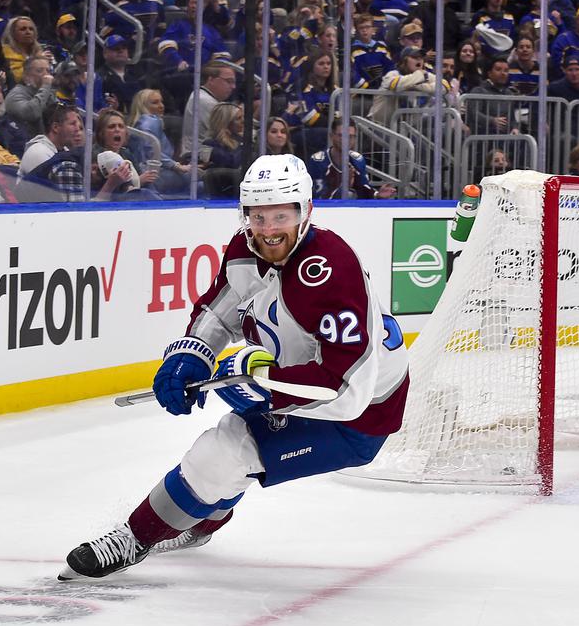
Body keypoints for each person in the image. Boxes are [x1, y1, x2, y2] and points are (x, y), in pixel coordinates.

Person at [58, 154, 410, 580]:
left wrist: (266, 388)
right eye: (258, 216)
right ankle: (203, 522)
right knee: (234, 455)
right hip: (295, 380)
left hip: (358, 417)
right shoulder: (245, 249)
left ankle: (135, 538)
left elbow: (348, 390)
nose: (268, 229)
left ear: (306, 211)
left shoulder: (329, 270)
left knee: (224, 451)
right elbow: (221, 312)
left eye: (281, 215)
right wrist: (189, 356)